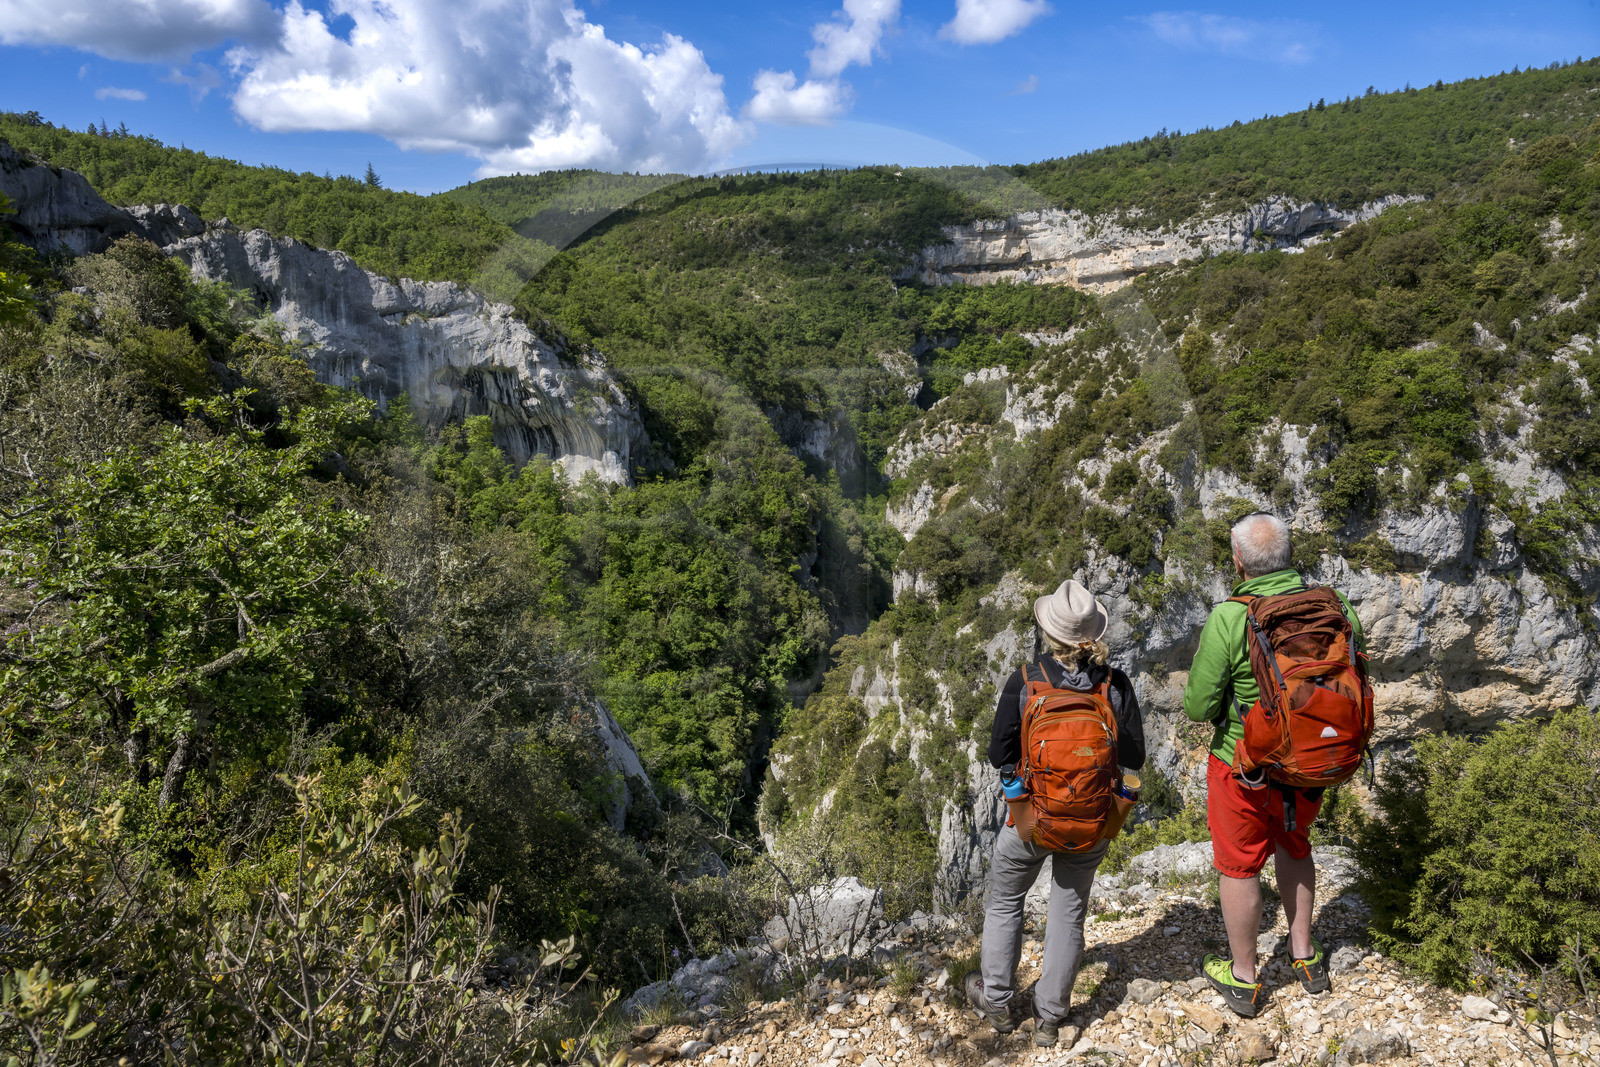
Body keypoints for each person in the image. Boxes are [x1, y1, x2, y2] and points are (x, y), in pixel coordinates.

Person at [1183, 513, 1364, 1017]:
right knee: (1295, 843)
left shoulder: (1230, 617)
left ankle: (1243, 978)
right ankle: (1304, 955)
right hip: (1310, 759)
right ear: (1288, 555)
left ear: (1238, 562)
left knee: (1239, 866)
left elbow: (1197, 706)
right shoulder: (1337, 605)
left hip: (1244, 764)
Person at [964, 579, 1146, 1048]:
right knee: (1069, 912)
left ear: (1050, 633)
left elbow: (998, 752)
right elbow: (1134, 757)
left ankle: (998, 1001)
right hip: (1092, 821)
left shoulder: (1026, 680)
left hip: (1032, 821)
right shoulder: (1116, 685)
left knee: (1005, 901)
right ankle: (1050, 1017)